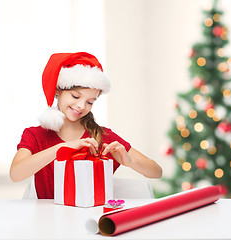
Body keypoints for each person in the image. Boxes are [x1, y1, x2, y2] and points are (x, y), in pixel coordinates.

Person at [9, 52, 162, 199]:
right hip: (48, 219)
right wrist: (62, 149)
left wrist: (130, 161)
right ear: (58, 90)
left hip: (90, 218)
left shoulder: (102, 137)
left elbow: (156, 171)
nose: (81, 106)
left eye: (90, 102)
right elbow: (16, 174)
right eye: (75, 96)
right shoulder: (35, 135)